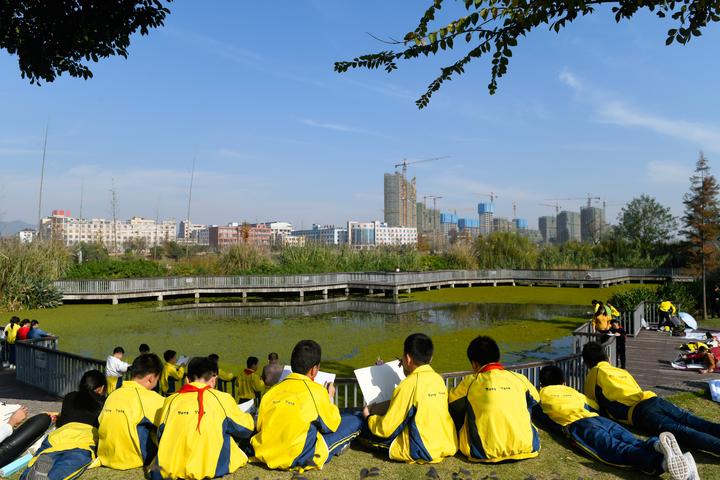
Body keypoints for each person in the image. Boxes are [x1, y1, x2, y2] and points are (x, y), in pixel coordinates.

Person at [532, 365, 695, 480]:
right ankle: (656, 445)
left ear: (541, 384)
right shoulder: (572, 392)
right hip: (598, 419)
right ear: (563, 382)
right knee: (632, 441)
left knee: (615, 451)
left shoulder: (541, 396)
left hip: (578, 425)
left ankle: (663, 463)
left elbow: (541, 417)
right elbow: (594, 406)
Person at [583, 341, 720, 456]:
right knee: (695, 421)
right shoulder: (620, 371)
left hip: (640, 412)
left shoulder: (594, 373)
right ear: (606, 358)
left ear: (587, 363)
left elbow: (591, 404)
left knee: (685, 432)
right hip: (653, 399)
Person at [252, 339, 362, 472]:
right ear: (314, 369)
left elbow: (259, 425)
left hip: (265, 452)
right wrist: (330, 397)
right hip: (299, 457)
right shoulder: (317, 391)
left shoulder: (273, 391)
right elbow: (331, 425)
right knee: (355, 420)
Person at [150, 357, 255, 480]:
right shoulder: (222, 398)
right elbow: (245, 429)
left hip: (167, 469)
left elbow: (160, 433)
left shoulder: (170, 400)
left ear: (187, 380)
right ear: (213, 380)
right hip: (211, 468)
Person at [361, 333, 457, 464]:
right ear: (430, 358)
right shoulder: (438, 379)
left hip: (422, 448)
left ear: (407, 358)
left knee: (363, 432)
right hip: (447, 443)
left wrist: (368, 418)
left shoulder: (407, 385)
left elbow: (386, 428)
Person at [448, 335, 539, 463]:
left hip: (482, 452)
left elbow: (452, 404)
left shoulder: (471, 382)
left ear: (474, 363)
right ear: (498, 358)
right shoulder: (519, 378)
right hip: (527, 447)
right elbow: (535, 400)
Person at [20, 370, 107, 480]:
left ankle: (29, 474)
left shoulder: (69, 397)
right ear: (101, 388)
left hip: (58, 436)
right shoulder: (104, 402)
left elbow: (63, 419)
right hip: (83, 439)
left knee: (47, 452)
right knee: (71, 462)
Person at [97, 353, 165, 470]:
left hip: (105, 455)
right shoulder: (151, 398)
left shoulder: (113, 395)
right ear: (151, 378)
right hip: (133, 459)